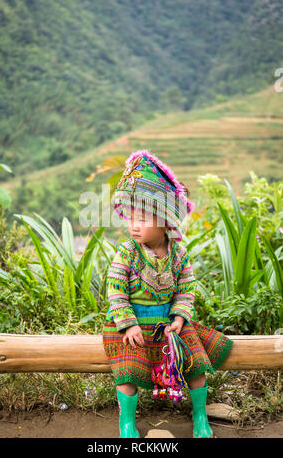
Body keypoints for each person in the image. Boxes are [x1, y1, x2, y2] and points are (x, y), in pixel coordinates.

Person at [102, 149, 234, 438]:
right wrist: (129, 322)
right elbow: (115, 289)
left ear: (164, 221)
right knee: (128, 373)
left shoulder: (179, 253)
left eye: (143, 219)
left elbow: (187, 288)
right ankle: (126, 423)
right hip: (133, 326)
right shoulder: (127, 251)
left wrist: (179, 317)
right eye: (130, 217)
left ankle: (200, 416)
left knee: (196, 366)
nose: (133, 225)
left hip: (168, 325)